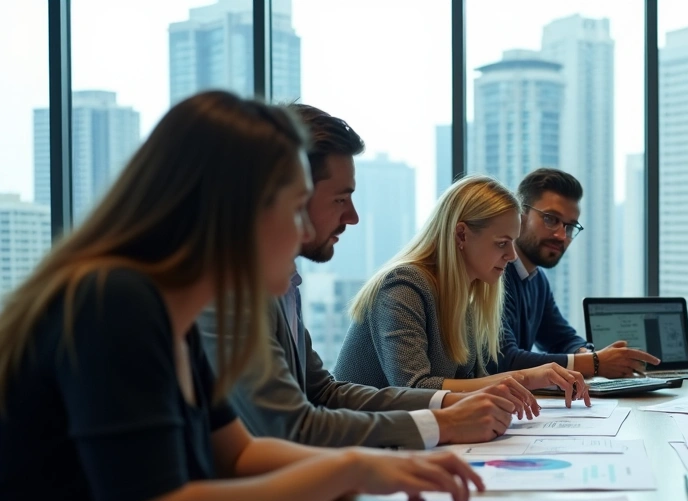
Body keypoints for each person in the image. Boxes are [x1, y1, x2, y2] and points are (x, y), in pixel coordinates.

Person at [0, 92, 482, 501]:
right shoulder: (113, 302)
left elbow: (238, 455)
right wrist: (347, 467)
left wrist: (382, 466)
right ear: (236, 211)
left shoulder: (167, 314)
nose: (303, 232)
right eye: (296, 208)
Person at [199, 105, 537, 450]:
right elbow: (293, 427)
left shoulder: (283, 286)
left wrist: (449, 409)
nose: (354, 216)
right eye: (340, 198)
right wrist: (438, 424)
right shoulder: (230, 289)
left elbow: (324, 392)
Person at [334, 175, 589, 406]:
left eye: (512, 242)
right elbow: (414, 388)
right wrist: (523, 378)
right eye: (502, 243)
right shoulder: (403, 286)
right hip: (363, 443)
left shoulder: (465, 295)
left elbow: (467, 381)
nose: (512, 255)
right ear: (461, 235)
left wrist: (527, 380)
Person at [489, 168, 660, 378]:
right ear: (520, 215)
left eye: (570, 227)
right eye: (551, 219)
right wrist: (594, 363)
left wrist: (586, 353)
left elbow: (561, 338)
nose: (562, 235)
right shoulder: (494, 275)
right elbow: (504, 360)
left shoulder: (536, 279)